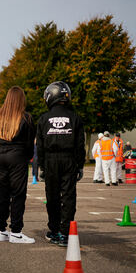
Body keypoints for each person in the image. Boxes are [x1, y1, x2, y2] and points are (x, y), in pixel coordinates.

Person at [37, 82, 85, 247]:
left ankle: (54, 230)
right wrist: (80, 165)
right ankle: (65, 233)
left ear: (50, 96)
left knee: (52, 197)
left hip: (51, 160)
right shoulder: (75, 117)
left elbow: (40, 146)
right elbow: (80, 144)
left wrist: (41, 166)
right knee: (69, 197)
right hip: (69, 160)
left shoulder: (44, 118)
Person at [0, 86, 35, 244]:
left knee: (1, 195)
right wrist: (28, 157)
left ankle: (1, 231)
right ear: (21, 99)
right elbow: (30, 144)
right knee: (18, 194)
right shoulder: (25, 118)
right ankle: (16, 232)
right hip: (17, 157)